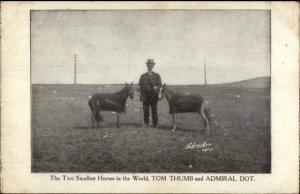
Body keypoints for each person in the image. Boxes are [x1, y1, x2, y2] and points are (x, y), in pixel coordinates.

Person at [138, 59, 162, 128]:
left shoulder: (157, 75)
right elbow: (139, 84)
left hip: (154, 96)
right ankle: (146, 123)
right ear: (147, 66)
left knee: (154, 110)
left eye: (151, 64)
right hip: (145, 96)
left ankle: (155, 123)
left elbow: (160, 85)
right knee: (145, 110)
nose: (150, 66)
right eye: (148, 64)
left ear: (153, 66)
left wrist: (156, 87)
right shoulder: (143, 76)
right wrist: (138, 87)